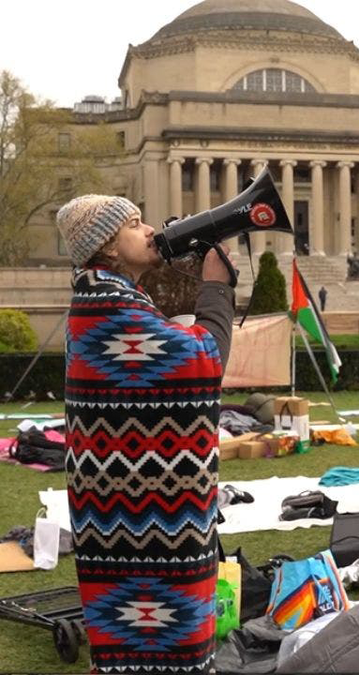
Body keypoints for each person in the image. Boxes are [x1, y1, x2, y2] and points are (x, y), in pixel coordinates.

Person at [56, 195, 235, 673]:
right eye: (135, 224)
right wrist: (216, 288)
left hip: (130, 504)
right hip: (140, 510)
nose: (151, 229)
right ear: (109, 248)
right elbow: (205, 359)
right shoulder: (108, 302)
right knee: (159, 640)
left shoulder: (110, 296)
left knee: (141, 635)